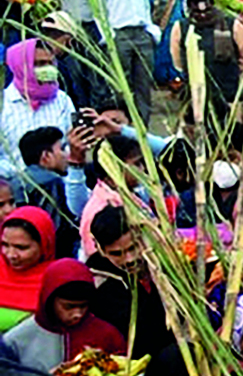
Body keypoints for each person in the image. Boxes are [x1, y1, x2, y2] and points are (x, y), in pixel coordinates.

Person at [3, 258, 125, 373]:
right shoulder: (16, 340)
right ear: (49, 301)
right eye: (68, 307)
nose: (78, 314)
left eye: (83, 306)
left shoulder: (107, 335)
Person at [85, 207, 170, 357]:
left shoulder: (164, 264)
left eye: (134, 247)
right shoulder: (99, 285)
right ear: (99, 248)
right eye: (116, 254)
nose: (129, 259)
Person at [170, 0, 243, 131]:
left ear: (213, 5)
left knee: (233, 133)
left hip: (229, 95)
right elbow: (177, 61)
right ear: (190, 9)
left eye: (207, 11)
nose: (202, 15)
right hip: (195, 98)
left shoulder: (232, 25)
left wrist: (235, 77)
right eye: (197, 12)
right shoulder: (181, 28)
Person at [0, 37, 77, 175]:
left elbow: (72, 145)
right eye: (40, 64)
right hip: (16, 187)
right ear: (20, 66)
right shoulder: (2, 104)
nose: (47, 69)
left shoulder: (62, 100)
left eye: (50, 63)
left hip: (61, 184)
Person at [0, 207, 57, 332]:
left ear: (44, 245)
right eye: (4, 245)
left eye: (21, 248)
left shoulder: (56, 282)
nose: (11, 255)